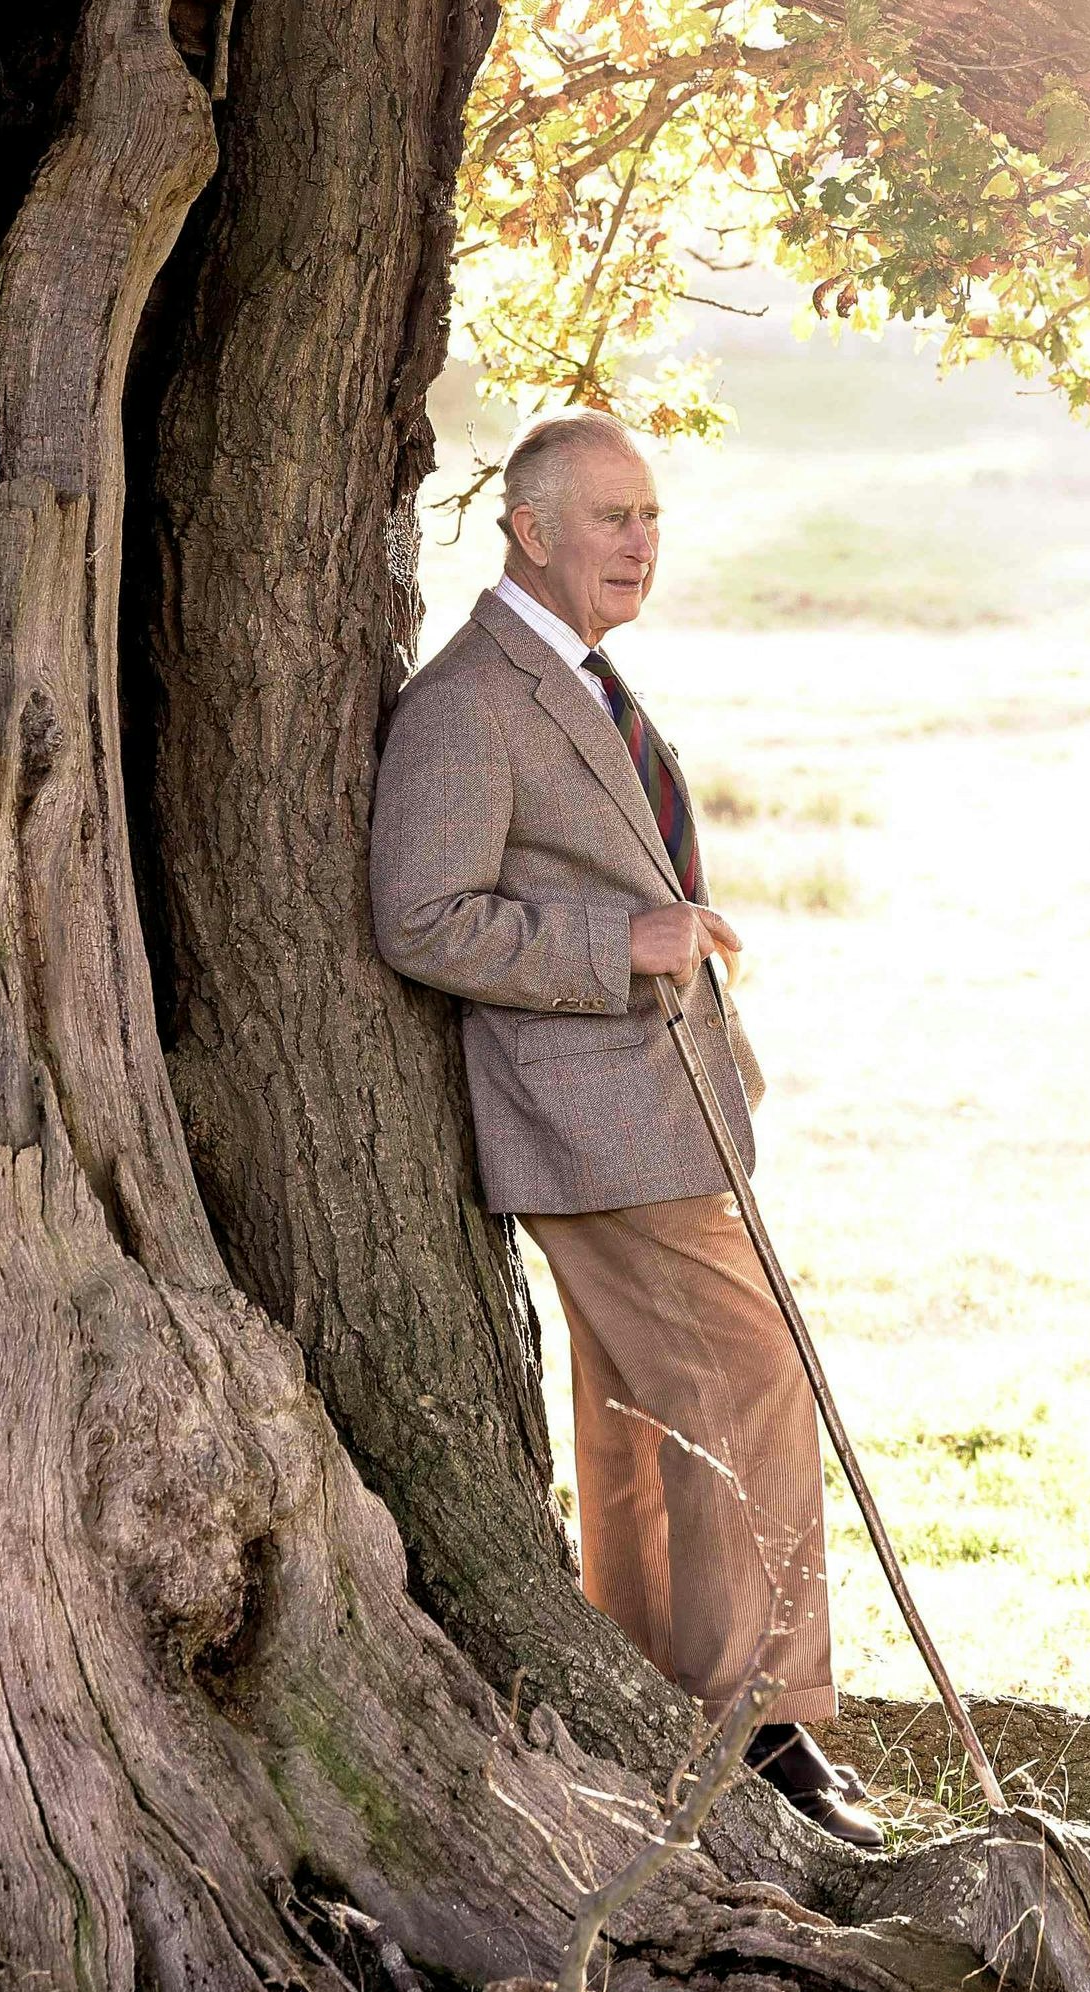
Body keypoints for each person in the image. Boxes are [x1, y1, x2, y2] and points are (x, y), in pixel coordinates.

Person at [366, 409, 883, 1848]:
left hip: (659, 1108)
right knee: (753, 1377)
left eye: (651, 517)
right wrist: (625, 943)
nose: (641, 542)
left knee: (644, 1416)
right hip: (591, 1124)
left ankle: (660, 1693)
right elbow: (420, 917)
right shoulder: (471, 701)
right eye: (611, 517)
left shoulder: (580, 678)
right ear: (530, 528)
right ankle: (758, 1729)